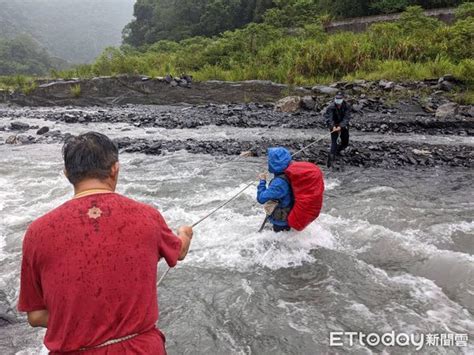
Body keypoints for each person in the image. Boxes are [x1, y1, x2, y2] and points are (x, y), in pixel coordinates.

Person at [17, 132, 193, 354]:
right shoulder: (147, 216)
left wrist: (84, 321)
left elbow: (35, 316)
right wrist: (185, 232)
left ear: (66, 174)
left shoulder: (37, 232)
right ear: (114, 169)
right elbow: (179, 251)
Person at [257, 147, 294, 232]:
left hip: (281, 222)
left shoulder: (279, 184)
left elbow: (261, 198)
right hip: (288, 216)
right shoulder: (289, 174)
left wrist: (262, 181)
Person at [324, 91, 351, 168]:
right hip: (333, 125)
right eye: (337, 98)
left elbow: (347, 117)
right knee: (334, 142)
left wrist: (341, 126)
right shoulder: (331, 107)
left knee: (345, 142)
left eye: (339, 99)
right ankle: (331, 161)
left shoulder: (347, 106)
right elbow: (329, 118)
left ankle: (338, 151)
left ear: (342, 99)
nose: (338, 100)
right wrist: (333, 127)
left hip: (343, 125)